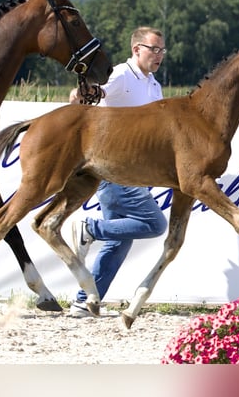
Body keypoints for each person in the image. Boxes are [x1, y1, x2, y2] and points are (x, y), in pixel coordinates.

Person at [69, 26, 169, 318]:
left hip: (136, 173)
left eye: (162, 50)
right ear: (137, 49)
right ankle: (91, 229)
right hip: (116, 170)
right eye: (154, 49)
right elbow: (94, 94)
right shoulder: (122, 75)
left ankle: (83, 302)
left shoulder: (154, 85)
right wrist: (83, 93)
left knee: (118, 243)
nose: (159, 55)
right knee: (155, 224)